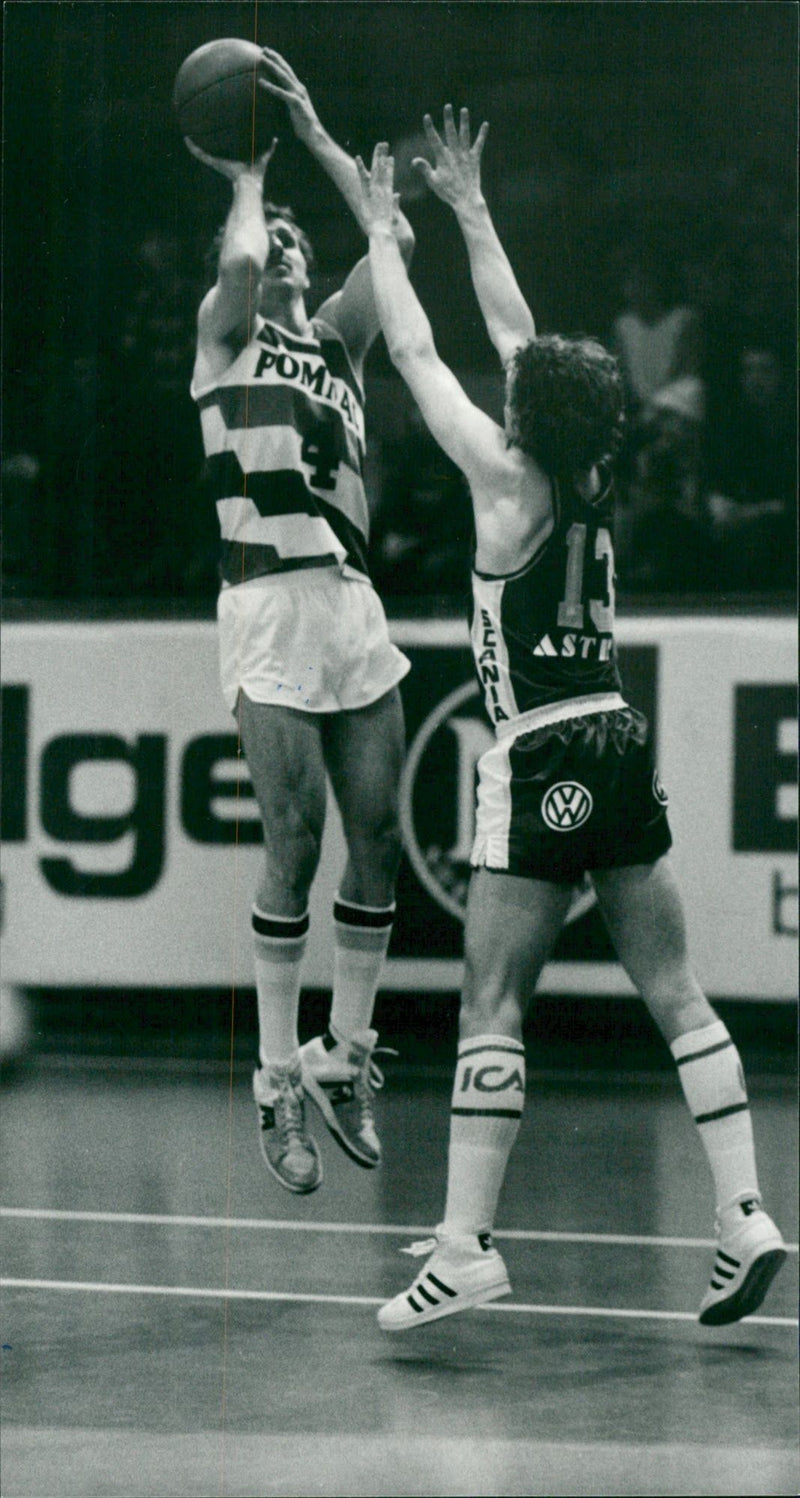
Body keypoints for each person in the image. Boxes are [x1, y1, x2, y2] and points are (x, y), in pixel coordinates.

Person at [354, 110, 786, 1330]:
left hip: (537, 745)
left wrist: (387, 234)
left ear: (527, 410)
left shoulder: (504, 481)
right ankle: (743, 1211)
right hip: (618, 734)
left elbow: (417, 346)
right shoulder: (593, 471)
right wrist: (476, 212)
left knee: (489, 1004)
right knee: (677, 990)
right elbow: (514, 335)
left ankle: (464, 1246)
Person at [186, 49, 414, 1195]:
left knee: (376, 837)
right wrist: (246, 177)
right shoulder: (220, 332)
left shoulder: (337, 341)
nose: (280, 245)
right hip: (265, 595)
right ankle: (274, 1069)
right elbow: (234, 251)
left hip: (354, 602)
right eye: (271, 239)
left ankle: (344, 1051)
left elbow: (395, 250)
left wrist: (318, 139)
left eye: (294, 239)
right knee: (295, 836)